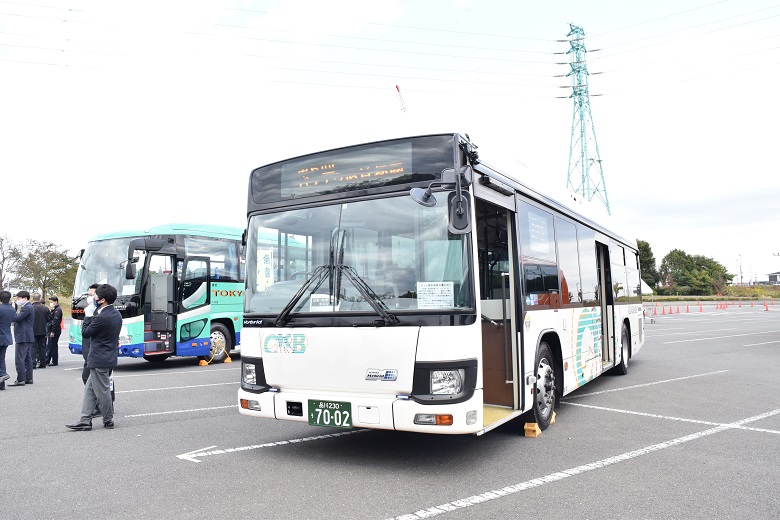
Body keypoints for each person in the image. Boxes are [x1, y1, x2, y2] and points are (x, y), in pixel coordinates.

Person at [66, 283, 121, 431]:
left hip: (99, 358)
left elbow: (86, 332)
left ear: (102, 300)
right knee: (90, 389)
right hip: (107, 357)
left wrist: (88, 315)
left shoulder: (101, 317)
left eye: (95, 296)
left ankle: (108, 419)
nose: (93, 298)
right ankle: (85, 420)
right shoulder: (115, 314)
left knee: (102, 391)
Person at [9, 290, 35, 387]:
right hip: (27, 336)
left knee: (20, 358)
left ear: (25, 298)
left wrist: (12, 310)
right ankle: (28, 378)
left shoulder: (26, 308)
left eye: (19, 298)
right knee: (27, 358)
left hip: (23, 336)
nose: (17, 300)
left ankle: (20, 379)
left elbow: (16, 319)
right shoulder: (28, 307)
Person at [81, 283, 99, 385]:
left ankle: (107, 400)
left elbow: (86, 332)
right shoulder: (91, 310)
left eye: (92, 295)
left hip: (95, 357)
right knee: (87, 379)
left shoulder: (99, 314)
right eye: (89, 295)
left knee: (99, 381)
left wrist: (88, 317)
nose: (89, 298)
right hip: (89, 356)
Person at [0, 290, 15, 390]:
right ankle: (2, 382)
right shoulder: (12, 309)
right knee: (1, 359)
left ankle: (3, 374)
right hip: (6, 336)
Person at [31, 292, 50, 369]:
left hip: (33, 330)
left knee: (33, 347)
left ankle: (33, 363)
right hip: (43, 330)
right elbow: (49, 319)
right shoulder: (45, 308)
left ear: (33, 299)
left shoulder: (31, 308)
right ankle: (43, 362)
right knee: (42, 347)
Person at [46, 296, 63, 366]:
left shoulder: (57, 310)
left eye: (51, 302)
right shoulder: (54, 309)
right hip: (53, 329)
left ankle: (53, 361)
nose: (51, 303)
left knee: (52, 346)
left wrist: (53, 331)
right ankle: (50, 360)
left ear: (55, 301)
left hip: (55, 330)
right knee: (51, 345)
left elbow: (56, 321)